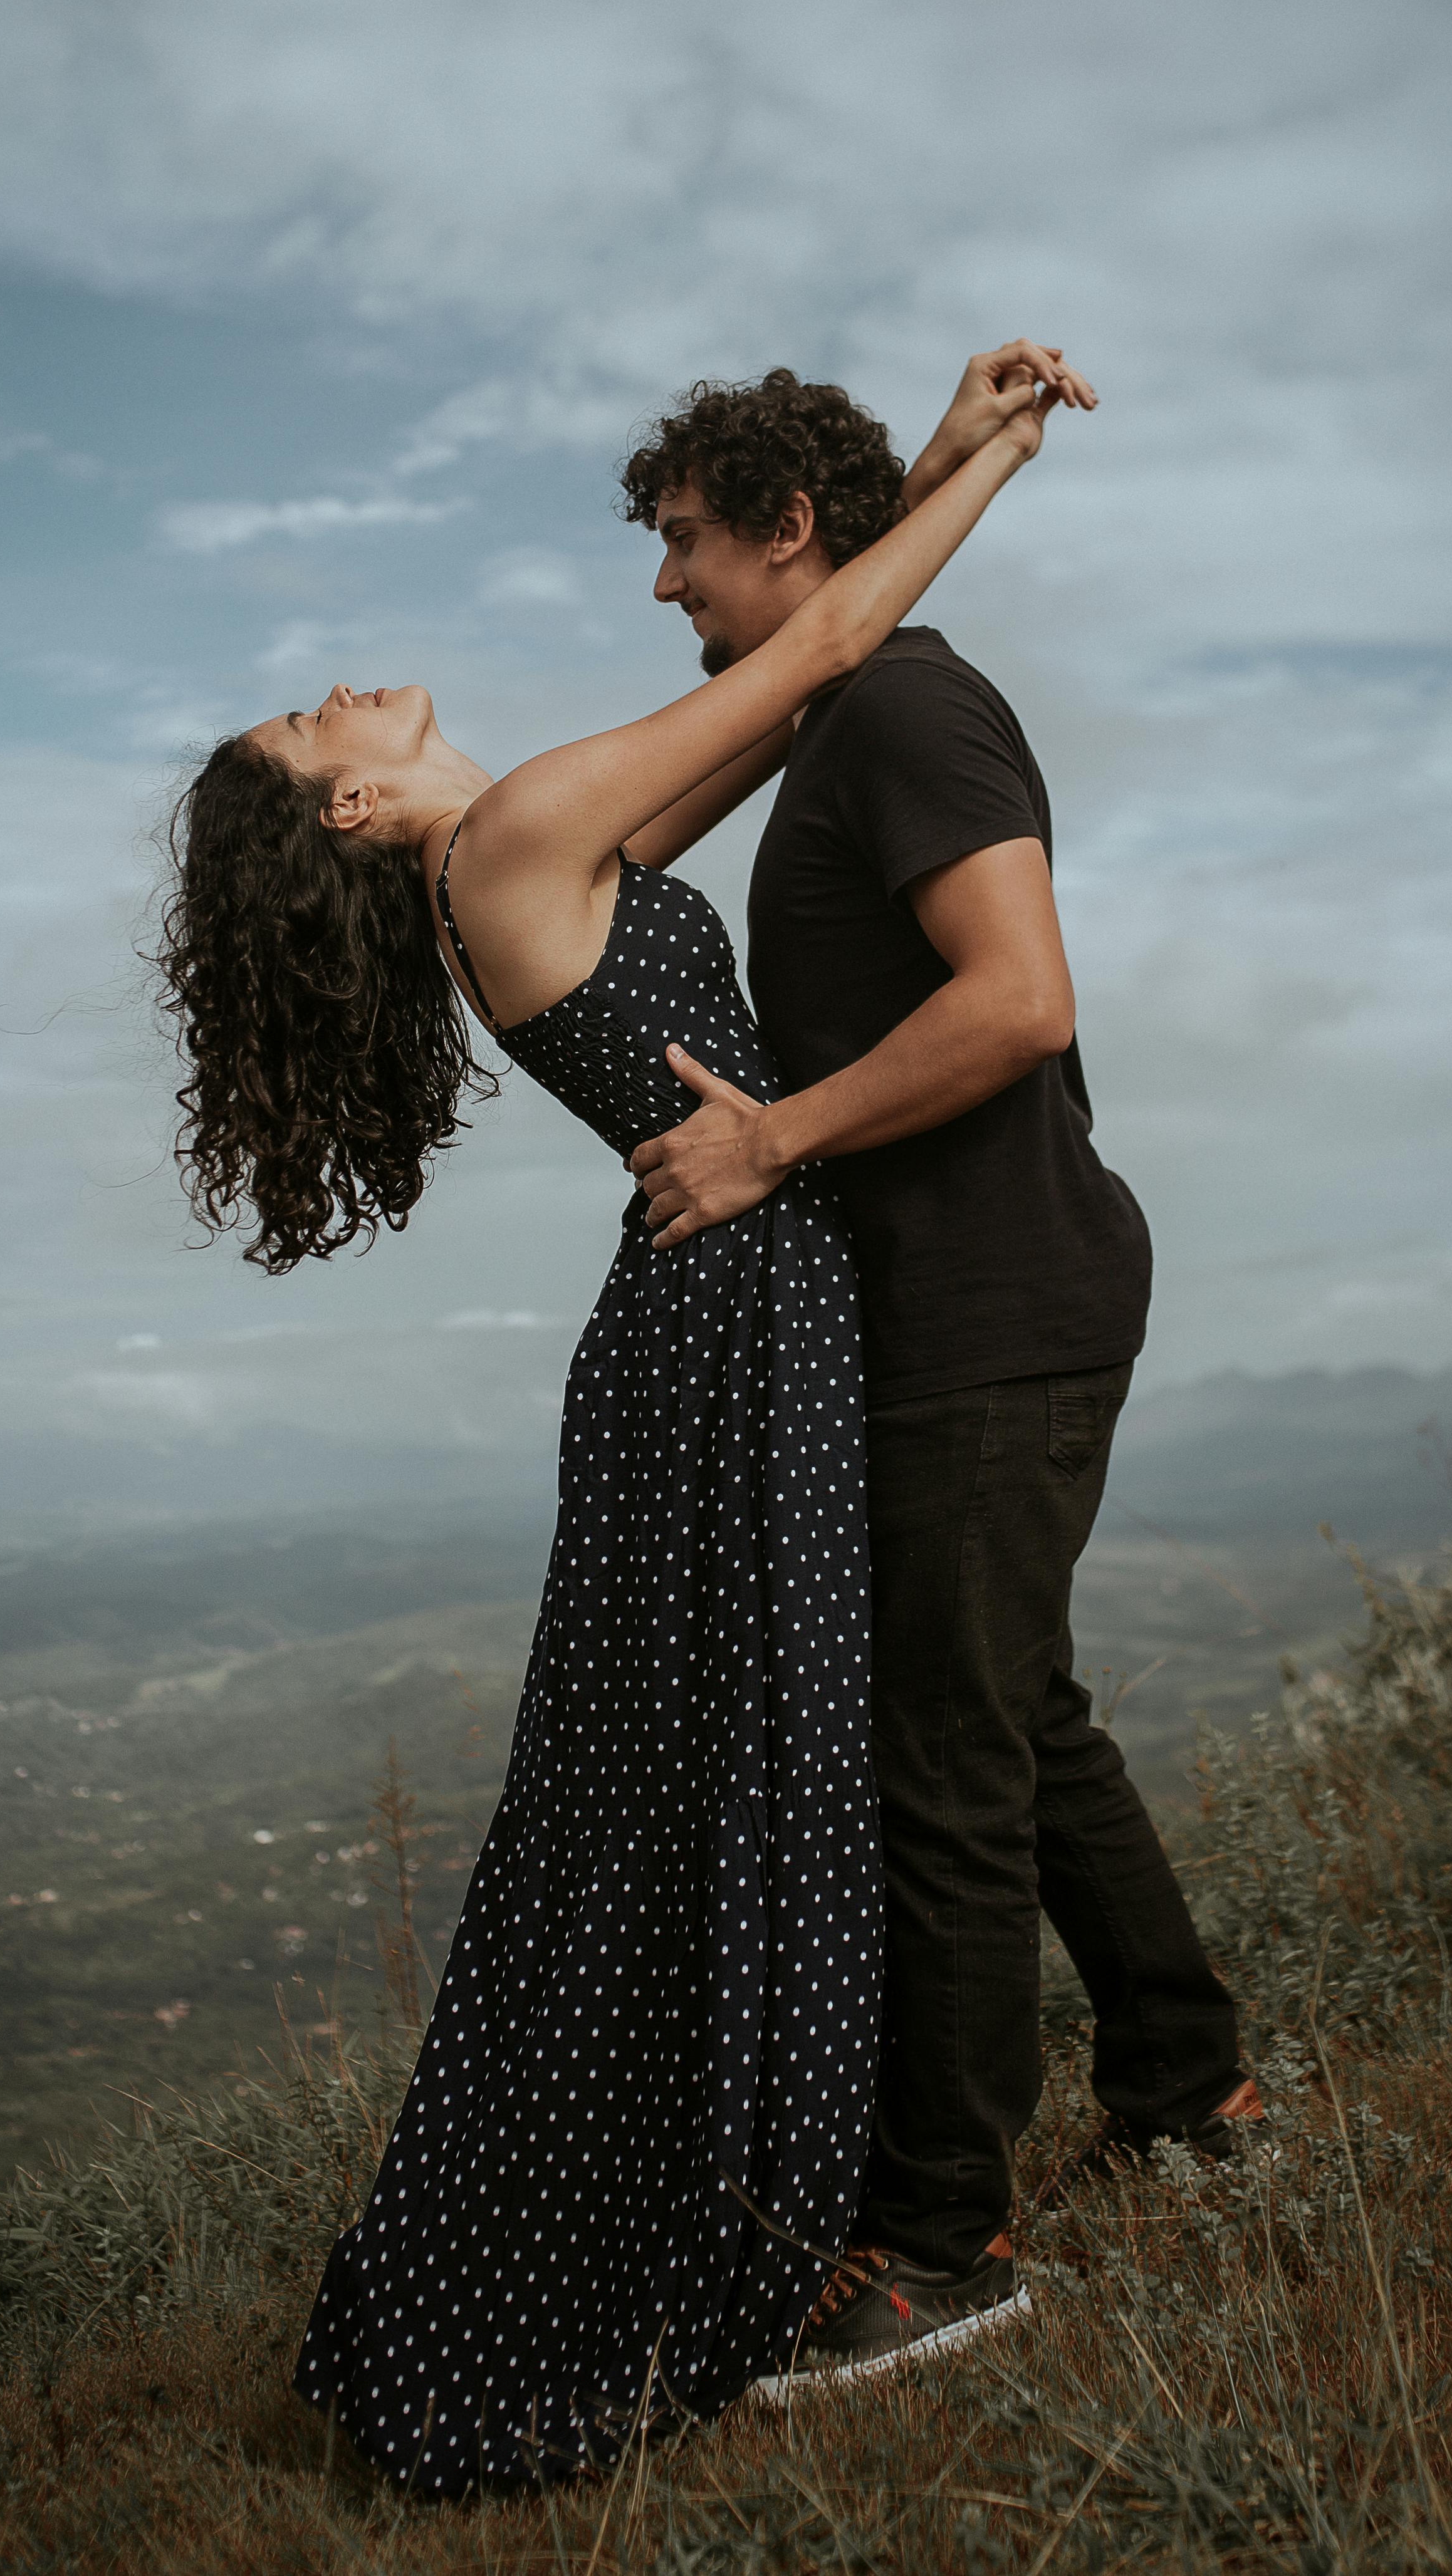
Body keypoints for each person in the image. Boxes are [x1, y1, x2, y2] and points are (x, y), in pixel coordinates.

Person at [152, 347, 1079, 2495]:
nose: (339, 695)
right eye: (314, 730)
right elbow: (832, 637)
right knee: (721, 1778)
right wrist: (1005, 465)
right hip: (732, 1302)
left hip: (711, 1306)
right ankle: (725, 2235)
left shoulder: (535, 837)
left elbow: (784, 697)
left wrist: (915, 469)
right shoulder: (518, 837)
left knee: (703, 1775)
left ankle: (762, 2189)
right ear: (347, 815)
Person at [625, 348, 1258, 2401]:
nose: (667, 585)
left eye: (686, 540)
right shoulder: (848, 705)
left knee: (947, 1767)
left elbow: (1020, 1000)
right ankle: (1193, 2094)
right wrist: (967, 447)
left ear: (784, 529)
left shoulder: (904, 710)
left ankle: (947, 2240)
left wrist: (772, 1137)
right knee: (1022, 1716)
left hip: (997, 1311)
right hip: (973, 1312)